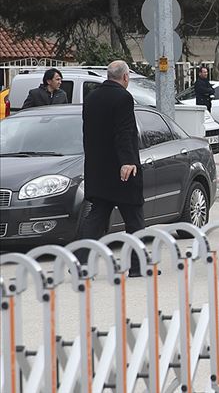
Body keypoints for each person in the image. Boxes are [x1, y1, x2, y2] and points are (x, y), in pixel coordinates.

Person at [80, 60, 144, 276]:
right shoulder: (123, 97)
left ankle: (80, 263)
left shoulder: (91, 98)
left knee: (97, 217)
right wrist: (128, 161)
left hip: (98, 170)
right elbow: (124, 131)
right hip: (122, 170)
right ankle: (137, 266)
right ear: (125, 77)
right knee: (134, 218)